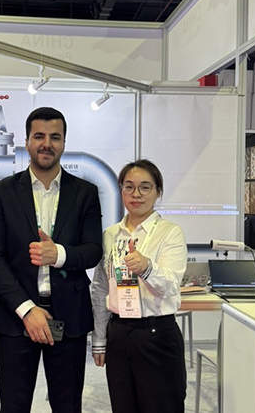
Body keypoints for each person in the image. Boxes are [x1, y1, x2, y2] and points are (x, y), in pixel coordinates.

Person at [0, 107, 103, 413]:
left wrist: (58, 254)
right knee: (13, 407)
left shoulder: (86, 192)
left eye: (54, 137)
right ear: (26, 141)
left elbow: (93, 250)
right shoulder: (3, 191)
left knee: (67, 406)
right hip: (16, 316)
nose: (46, 144)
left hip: (70, 317)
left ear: (64, 142)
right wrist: (26, 309)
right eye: (39, 136)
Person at [91, 159, 187, 413]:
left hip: (156, 334)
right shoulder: (110, 235)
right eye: (129, 186)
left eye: (145, 187)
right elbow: (100, 288)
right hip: (118, 333)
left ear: (158, 191)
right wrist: (99, 338)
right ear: (121, 190)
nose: (136, 194)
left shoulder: (170, 233)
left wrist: (147, 268)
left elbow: (170, 285)